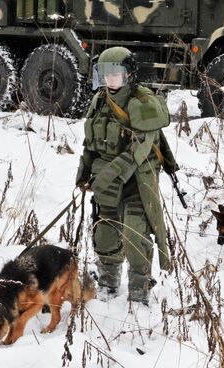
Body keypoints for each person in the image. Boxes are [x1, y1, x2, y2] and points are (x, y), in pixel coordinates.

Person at [75, 46, 174, 305]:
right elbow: (90, 144)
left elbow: (139, 149)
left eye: (115, 74)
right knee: (105, 231)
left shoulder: (143, 103)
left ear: (129, 74)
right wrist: (84, 172)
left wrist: (109, 174)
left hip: (136, 181)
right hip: (105, 180)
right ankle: (108, 283)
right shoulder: (99, 101)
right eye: (105, 74)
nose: (109, 80)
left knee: (136, 234)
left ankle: (139, 292)